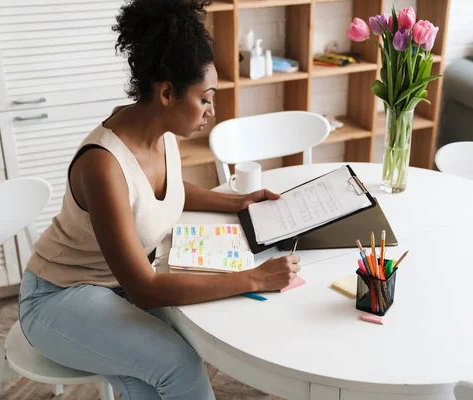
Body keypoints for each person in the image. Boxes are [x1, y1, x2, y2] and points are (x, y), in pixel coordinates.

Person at [17, 0, 301, 398]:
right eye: (205, 98)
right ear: (167, 92)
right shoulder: (104, 165)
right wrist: (254, 278)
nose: (211, 111)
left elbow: (166, 195)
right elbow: (146, 288)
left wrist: (238, 202)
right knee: (179, 364)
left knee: (154, 372)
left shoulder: (161, 133)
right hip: (58, 298)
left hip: (111, 287)